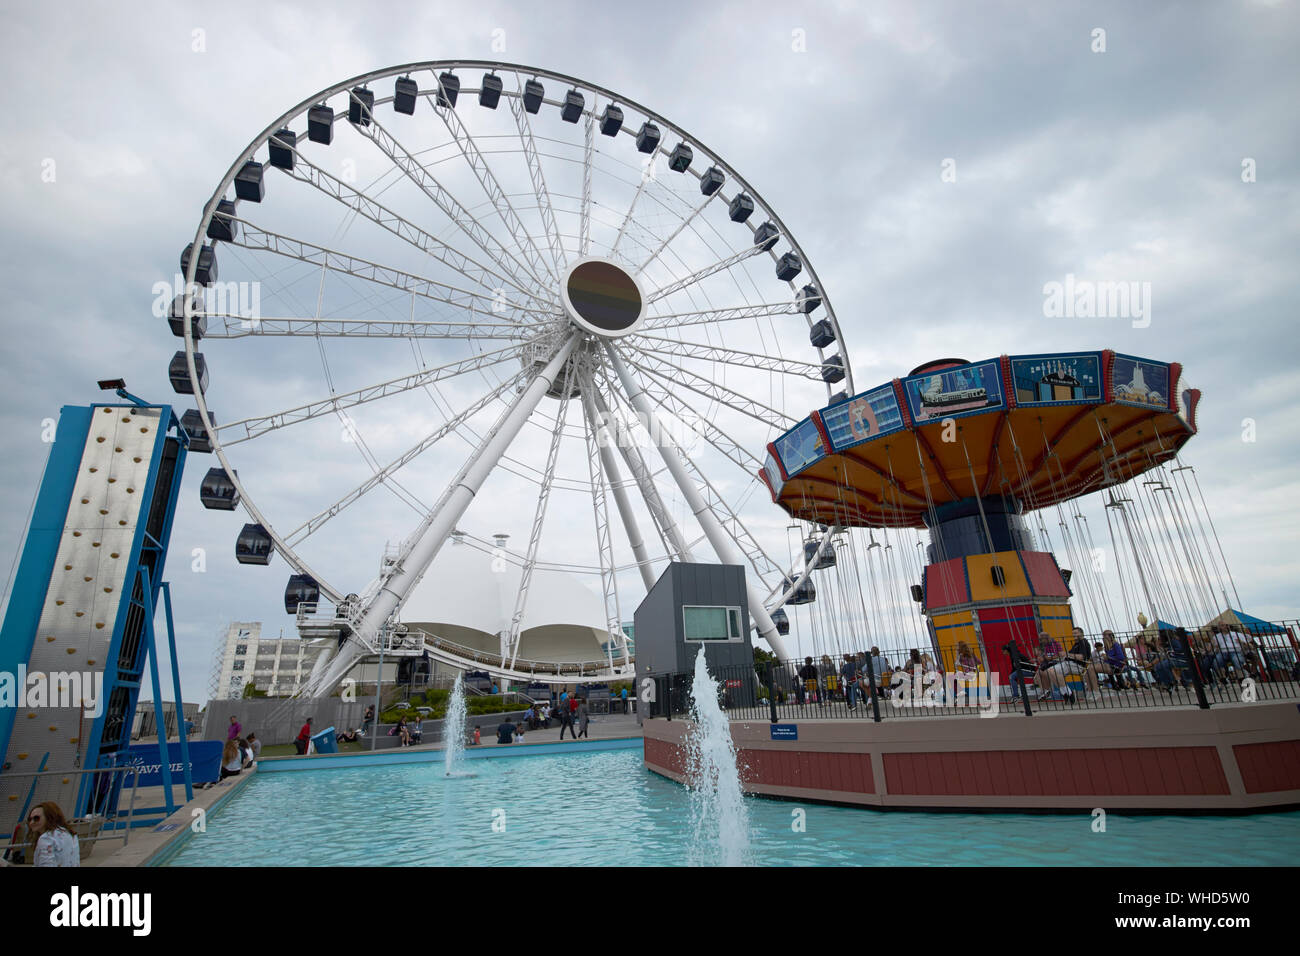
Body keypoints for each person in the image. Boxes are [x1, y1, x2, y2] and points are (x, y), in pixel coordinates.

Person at [27, 802, 79, 867]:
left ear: (49, 817)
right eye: (29, 819)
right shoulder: (70, 833)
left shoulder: (46, 838)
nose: (32, 822)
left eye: (36, 818)